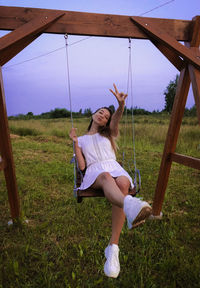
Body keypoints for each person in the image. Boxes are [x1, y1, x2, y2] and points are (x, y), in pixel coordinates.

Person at [69, 84, 152, 278]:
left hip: (115, 167)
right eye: (100, 112)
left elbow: (116, 119)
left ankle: (113, 248)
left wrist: (120, 106)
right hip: (96, 173)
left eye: (106, 116)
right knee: (107, 177)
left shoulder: (108, 134)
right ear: (93, 115)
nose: (103, 116)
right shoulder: (81, 139)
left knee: (123, 184)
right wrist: (74, 143)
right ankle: (131, 207)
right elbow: (82, 166)